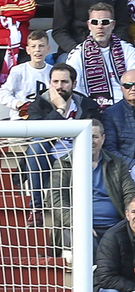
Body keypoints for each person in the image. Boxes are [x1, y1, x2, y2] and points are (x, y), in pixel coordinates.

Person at [24, 63, 101, 225]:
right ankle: (36, 207)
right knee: (36, 145)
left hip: (78, 158)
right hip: (47, 161)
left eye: (64, 82)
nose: (60, 86)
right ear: (49, 83)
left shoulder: (87, 106)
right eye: (55, 82)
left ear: (74, 84)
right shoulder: (39, 104)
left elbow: (96, 135)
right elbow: (38, 133)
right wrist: (59, 109)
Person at [48, 118, 135, 256]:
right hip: (77, 226)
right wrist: (77, 223)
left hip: (115, 226)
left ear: (103, 138)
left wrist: (130, 217)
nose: (90, 141)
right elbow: (55, 199)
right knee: (87, 243)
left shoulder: (117, 163)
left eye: (95, 137)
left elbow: (129, 193)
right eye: (86, 137)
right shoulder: (64, 164)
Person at [66, 2, 135, 111]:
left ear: (113, 25)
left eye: (105, 22)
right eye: (95, 22)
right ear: (89, 25)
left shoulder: (128, 50)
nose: (100, 26)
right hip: (92, 111)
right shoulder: (77, 54)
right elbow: (74, 89)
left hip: (126, 109)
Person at [53, 0, 130, 55]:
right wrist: (79, 51)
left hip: (110, 49)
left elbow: (122, 24)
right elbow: (59, 30)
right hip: (76, 50)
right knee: (63, 68)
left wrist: (112, 49)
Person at [94, 196, 135, 292]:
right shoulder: (113, 236)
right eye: (134, 211)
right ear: (127, 214)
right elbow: (105, 277)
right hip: (114, 288)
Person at [0, 30, 52, 120]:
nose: (37, 49)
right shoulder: (18, 71)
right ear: (28, 50)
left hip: (45, 119)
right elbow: (3, 93)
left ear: (48, 49)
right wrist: (18, 104)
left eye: (41, 46)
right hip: (21, 119)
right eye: (33, 46)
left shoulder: (53, 72)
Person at [102, 69, 135, 162]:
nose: (133, 88)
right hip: (125, 170)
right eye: (127, 85)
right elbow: (109, 149)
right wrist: (132, 165)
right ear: (121, 88)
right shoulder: (110, 114)